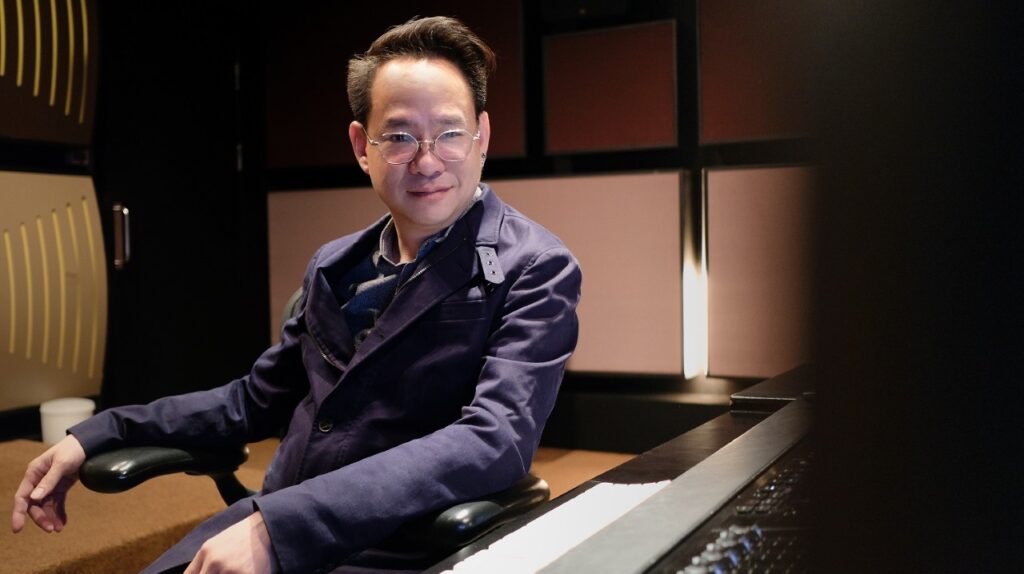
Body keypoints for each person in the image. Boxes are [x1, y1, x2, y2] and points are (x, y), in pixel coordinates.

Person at [11, 16, 581, 573]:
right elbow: (252, 402)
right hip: (268, 519)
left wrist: (280, 528)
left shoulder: (534, 267)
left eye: (450, 134)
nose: (427, 161)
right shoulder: (335, 264)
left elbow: (494, 439)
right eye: (399, 137)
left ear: (482, 137)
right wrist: (103, 432)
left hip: (393, 545)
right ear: (362, 146)